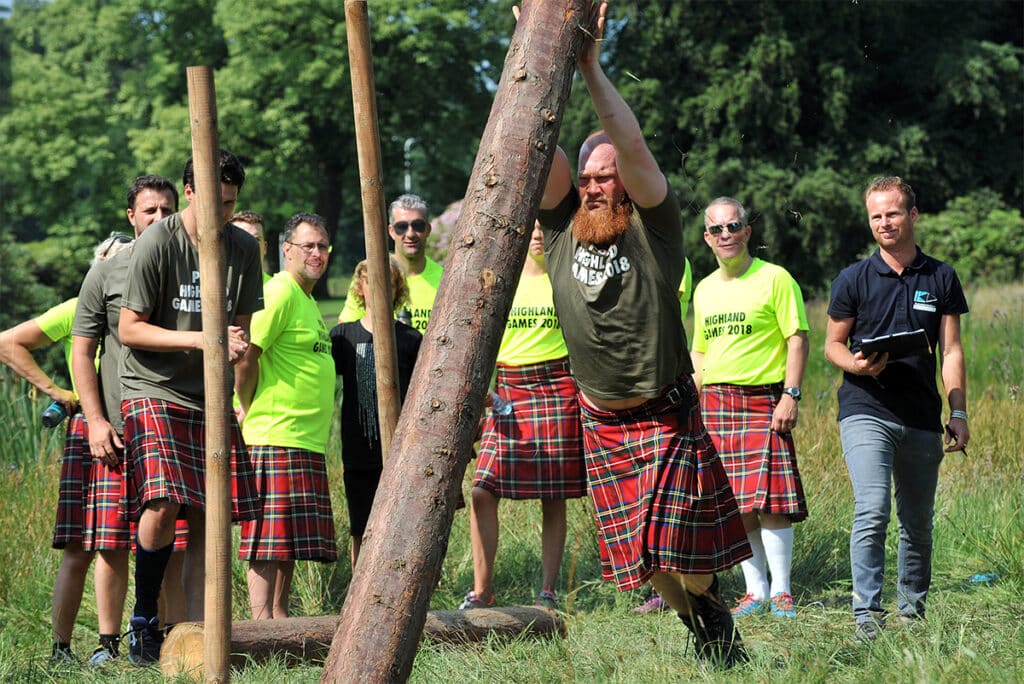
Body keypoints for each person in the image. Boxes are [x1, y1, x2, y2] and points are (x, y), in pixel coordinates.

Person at [534, 1, 750, 667]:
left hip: (663, 412)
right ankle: (708, 631)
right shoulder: (560, 229)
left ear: (626, 182)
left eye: (606, 177)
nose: (595, 187)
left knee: (682, 551)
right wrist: (535, 53)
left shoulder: (655, 229)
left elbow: (630, 146)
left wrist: (591, 68)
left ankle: (712, 615)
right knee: (644, 564)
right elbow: (539, 151)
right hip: (601, 420)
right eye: (588, 178)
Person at [118, 149, 263, 664]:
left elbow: (240, 327)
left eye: (230, 203)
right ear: (189, 192)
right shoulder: (158, 242)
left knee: (210, 516)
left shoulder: (243, 248)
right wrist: (203, 338)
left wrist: (236, 347)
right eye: (213, 201)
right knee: (162, 502)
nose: (221, 213)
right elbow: (129, 328)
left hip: (209, 394)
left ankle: (201, 635)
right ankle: (144, 618)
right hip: (153, 388)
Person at [825, 176, 969, 642]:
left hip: (922, 415)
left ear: (913, 215)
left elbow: (951, 351)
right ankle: (867, 615)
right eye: (876, 216)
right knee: (872, 509)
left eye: (892, 213)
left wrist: (959, 413)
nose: (884, 222)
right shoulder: (853, 278)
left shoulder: (941, 277)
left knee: (917, 523)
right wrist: (857, 366)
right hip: (865, 407)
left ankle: (911, 612)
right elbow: (832, 344)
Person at [71, 175, 189, 664]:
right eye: (149, 211)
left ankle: (170, 636)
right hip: (120, 427)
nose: (159, 218)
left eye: (167, 210)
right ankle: (109, 642)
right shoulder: (106, 274)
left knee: (173, 537)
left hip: (175, 418)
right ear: (131, 218)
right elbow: (82, 352)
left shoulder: (190, 269)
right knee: (112, 541)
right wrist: (96, 421)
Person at [0, 235, 134, 665]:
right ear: (99, 266)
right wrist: (56, 390)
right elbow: (8, 342)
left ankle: (110, 645)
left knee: (117, 544)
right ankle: (62, 649)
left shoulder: (143, 309)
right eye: (113, 261)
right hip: (88, 430)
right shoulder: (78, 307)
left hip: (131, 426)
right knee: (80, 547)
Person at [690, 197, 810, 620]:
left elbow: (797, 337)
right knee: (737, 504)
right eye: (716, 229)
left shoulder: (775, 278)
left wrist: (790, 395)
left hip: (764, 399)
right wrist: (691, 402)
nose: (725, 234)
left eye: (733, 226)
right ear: (707, 238)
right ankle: (754, 591)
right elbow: (700, 351)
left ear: (747, 231)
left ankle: (782, 591)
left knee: (772, 502)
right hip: (716, 404)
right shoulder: (704, 289)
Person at [460, 223, 586, 611]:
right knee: (482, 490)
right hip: (508, 389)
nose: (538, 235)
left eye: (545, 227)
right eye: (531, 227)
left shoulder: (568, 276)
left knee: (554, 496)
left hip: (557, 386)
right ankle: (482, 591)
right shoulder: (502, 279)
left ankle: (548, 591)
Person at [235, 213, 338, 619]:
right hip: (273, 434)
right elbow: (246, 355)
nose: (317, 253)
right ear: (287, 250)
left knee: (287, 544)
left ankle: (279, 624)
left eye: (323, 246)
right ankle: (260, 628)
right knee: (266, 543)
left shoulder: (306, 299)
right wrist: (248, 405)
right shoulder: (278, 292)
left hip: (303, 439)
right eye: (308, 245)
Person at [331, 258, 422, 567]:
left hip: (400, 452)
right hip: (358, 452)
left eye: (389, 282)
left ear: (398, 289)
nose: (381, 288)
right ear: (360, 287)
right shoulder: (342, 337)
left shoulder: (411, 340)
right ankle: (360, 587)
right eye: (372, 281)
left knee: (400, 530)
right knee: (361, 529)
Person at [635, 255, 693, 616]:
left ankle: (689, 588)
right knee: (638, 501)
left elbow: (654, 305)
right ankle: (660, 586)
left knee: (670, 500)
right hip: (625, 393)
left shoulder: (670, 256)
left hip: (663, 387)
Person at [337, 193, 443, 333]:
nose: (410, 234)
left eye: (418, 225)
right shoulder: (371, 275)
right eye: (402, 227)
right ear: (391, 231)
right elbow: (346, 331)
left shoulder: (445, 279)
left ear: (428, 229)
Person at [230, 210, 272, 282]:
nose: (249, 245)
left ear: (265, 248)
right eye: (241, 239)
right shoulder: (215, 286)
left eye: (256, 239)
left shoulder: (276, 287)